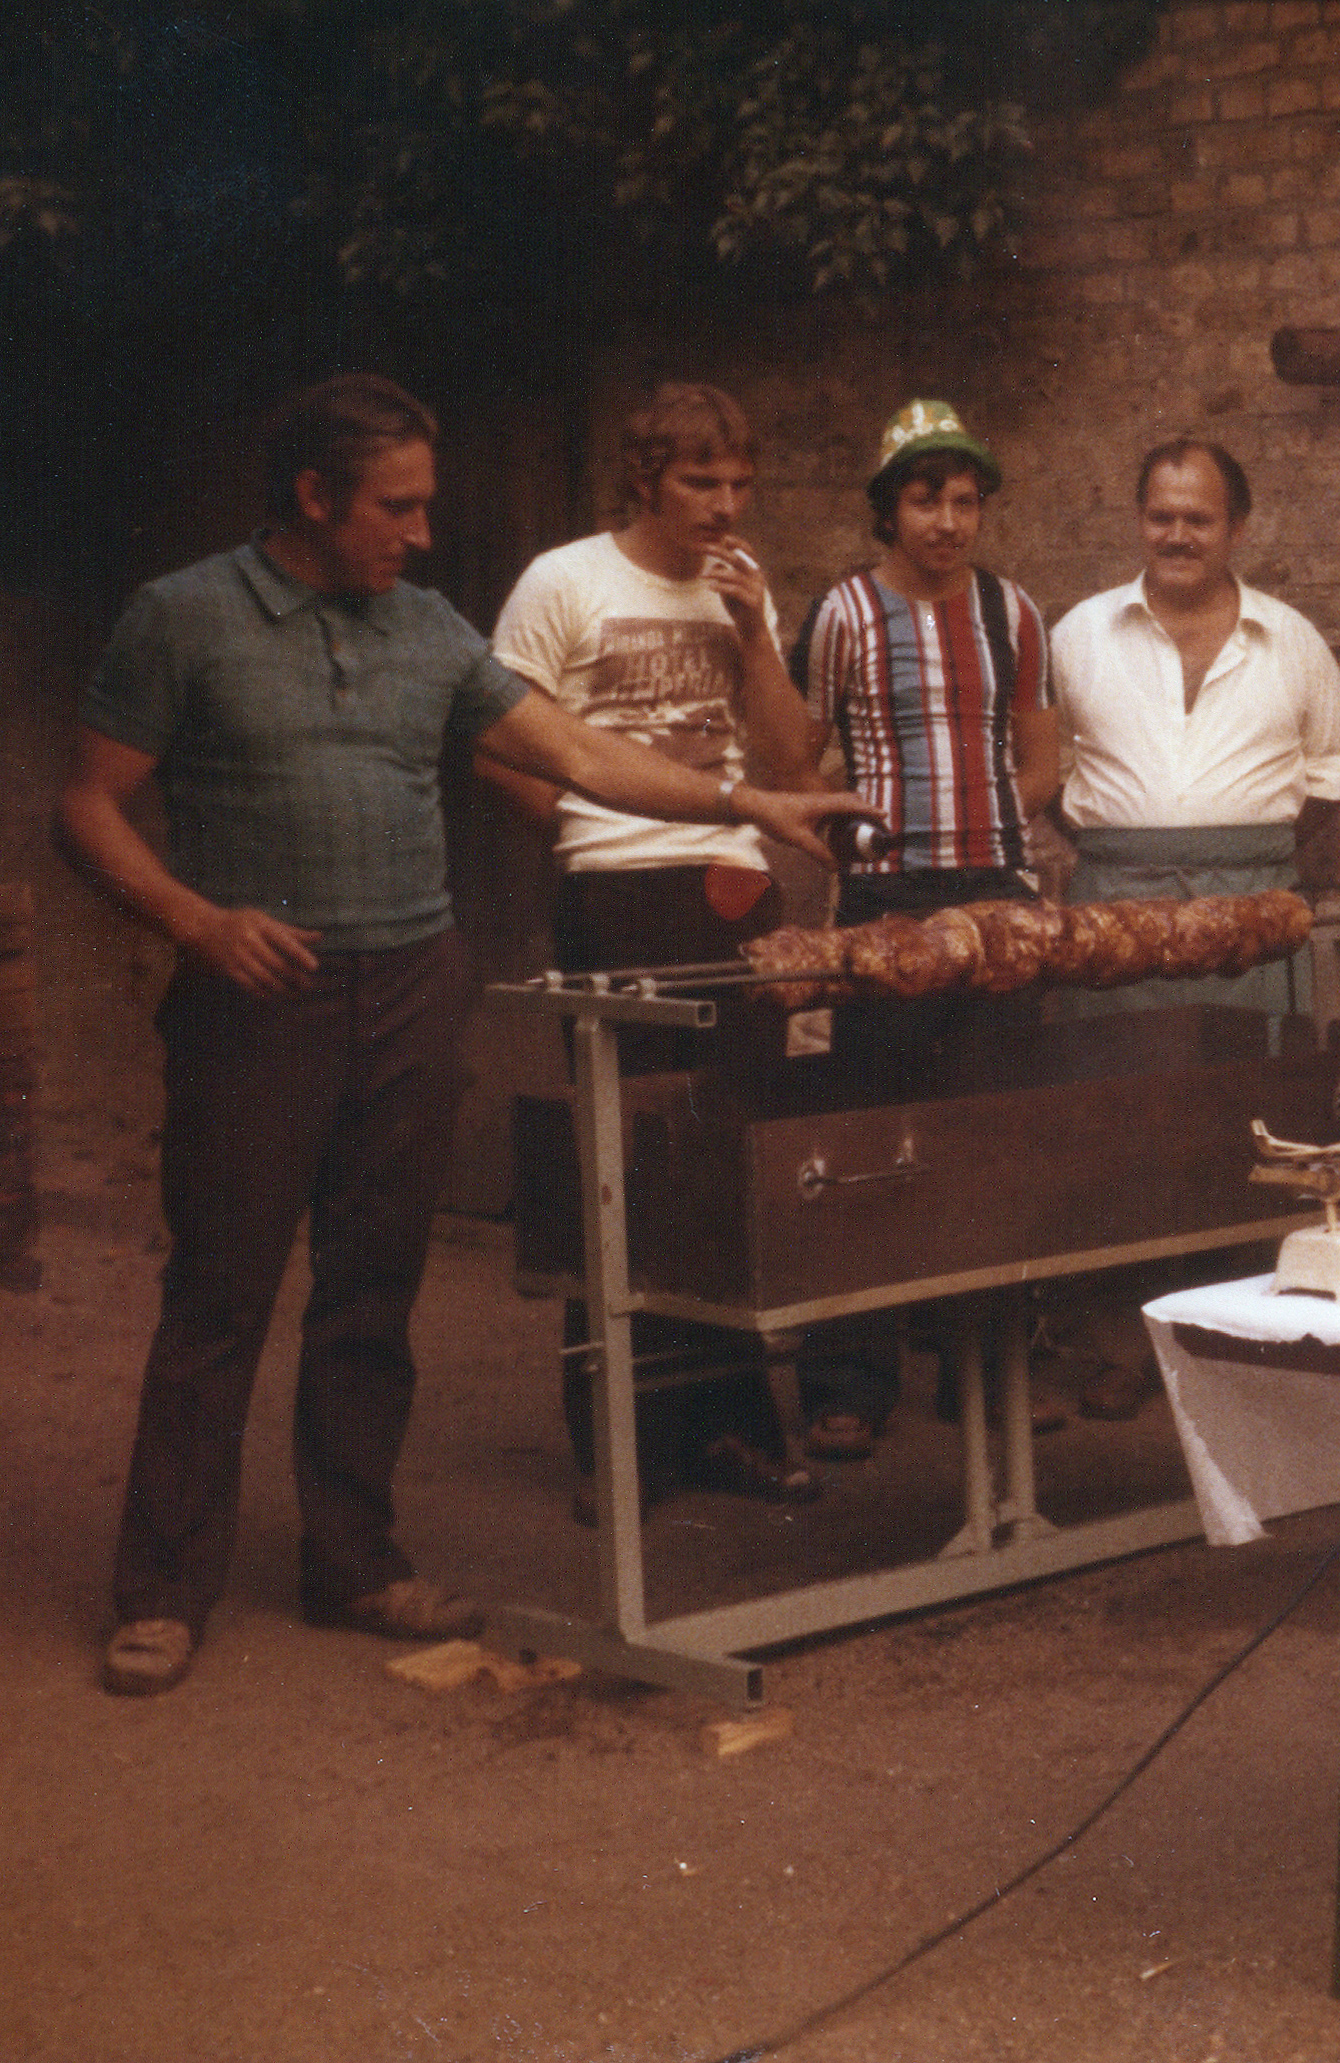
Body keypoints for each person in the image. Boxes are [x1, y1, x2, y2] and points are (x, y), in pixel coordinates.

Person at [55, 372, 865, 1698]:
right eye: (397, 506)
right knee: (220, 1294)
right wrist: (195, 922)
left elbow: (578, 754)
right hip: (256, 993)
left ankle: (355, 1558)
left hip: (414, 980)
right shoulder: (184, 616)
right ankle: (161, 1587)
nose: (421, 533)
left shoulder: (424, 627)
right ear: (312, 496)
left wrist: (745, 798)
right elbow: (85, 804)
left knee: (374, 1288)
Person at [480, 381, 847, 1522]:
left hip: (732, 886)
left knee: (724, 1154)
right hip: (616, 891)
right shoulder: (564, 579)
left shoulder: (741, 585)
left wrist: (751, 631)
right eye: (701, 482)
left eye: (740, 484)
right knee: (624, 1160)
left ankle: (732, 1428)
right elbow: (497, 744)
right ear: (645, 478)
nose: (724, 505)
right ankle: (621, 1452)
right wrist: (595, 834)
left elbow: (787, 761)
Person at [1041, 435, 1340, 1418]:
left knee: (1248, 1122)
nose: (1177, 533)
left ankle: (1239, 1337)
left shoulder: (1290, 640)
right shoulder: (1079, 634)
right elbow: (1048, 775)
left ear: (1237, 528)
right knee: (1116, 1123)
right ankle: (1115, 1344)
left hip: (1251, 912)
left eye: (1200, 517)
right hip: (1115, 910)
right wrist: (1131, 860)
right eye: (1161, 515)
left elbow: (1327, 782)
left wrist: (1242, 874)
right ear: (1140, 519)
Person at [784, 399, 1057, 1461]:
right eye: (922, 497)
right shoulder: (843, 614)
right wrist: (852, 852)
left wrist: (991, 830)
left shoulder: (1014, 612)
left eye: (963, 498)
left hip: (996, 894)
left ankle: (984, 1369)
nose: (946, 520)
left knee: (990, 1135)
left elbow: (1043, 756)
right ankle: (849, 1377)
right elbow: (796, 760)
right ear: (887, 509)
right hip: (886, 901)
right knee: (867, 1137)